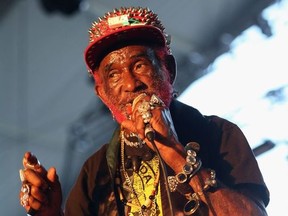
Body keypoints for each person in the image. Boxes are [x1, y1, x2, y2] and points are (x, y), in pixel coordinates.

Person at [19, 6, 270, 216]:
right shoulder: (96, 170)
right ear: (103, 94)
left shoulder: (218, 134)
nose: (131, 84)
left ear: (168, 70)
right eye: (114, 74)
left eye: (139, 65)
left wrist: (176, 155)